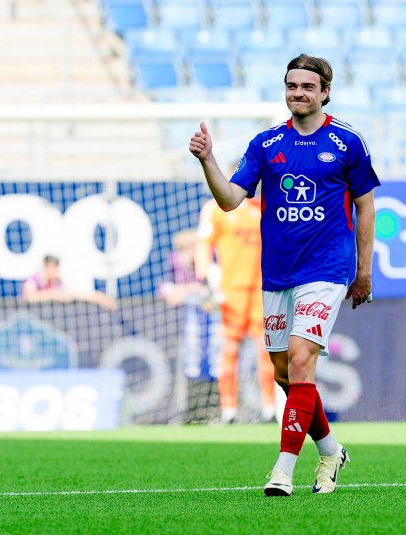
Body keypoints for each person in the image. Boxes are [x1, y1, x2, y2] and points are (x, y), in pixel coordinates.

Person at [189, 53, 380, 496]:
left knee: (299, 360)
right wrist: (207, 160)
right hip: (277, 274)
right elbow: (230, 199)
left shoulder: (349, 142)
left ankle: (283, 470)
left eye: (308, 87)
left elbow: (365, 204)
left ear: (325, 92)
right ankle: (331, 449)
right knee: (285, 373)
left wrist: (364, 270)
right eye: (292, 86)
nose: (299, 93)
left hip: (328, 269)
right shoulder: (266, 143)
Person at [195, 197, 277, 424]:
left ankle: (270, 408)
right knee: (229, 350)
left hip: (262, 289)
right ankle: (228, 410)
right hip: (231, 292)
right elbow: (203, 244)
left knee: (267, 349)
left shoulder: (264, 207)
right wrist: (203, 279)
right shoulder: (215, 209)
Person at [159, 229, 222, 423]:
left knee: (215, 360)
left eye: (191, 248)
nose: (187, 253)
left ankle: (215, 411)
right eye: (183, 249)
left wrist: (190, 290)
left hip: (213, 324)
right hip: (186, 328)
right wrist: (189, 290)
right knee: (191, 363)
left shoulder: (211, 266)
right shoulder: (173, 266)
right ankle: (191, 412)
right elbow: (169, 294)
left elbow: (214, 289)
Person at [22, 254, 117, 311]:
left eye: (56, 268)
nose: (55, 271)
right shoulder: (34, 280)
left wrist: (102, 299)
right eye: (53, 268)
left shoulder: (58, 283)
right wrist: (54, 295)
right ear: (46, 268)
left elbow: (77, 294)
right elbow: (29, 297)